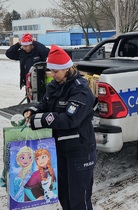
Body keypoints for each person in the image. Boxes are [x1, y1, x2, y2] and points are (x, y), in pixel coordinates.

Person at [23, 44, 97, 210]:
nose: (52, 74)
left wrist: (38, 120)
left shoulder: (80, 89)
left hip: (79, 152)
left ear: (67, 68)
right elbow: (45, 104)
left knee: (79, 201)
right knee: (64, 196)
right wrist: (31, 111)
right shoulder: (55, 84)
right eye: (51, 70)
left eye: (55, 71)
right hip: (61, 150)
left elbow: (69, 120)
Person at [5, 33, 50, 102]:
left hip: (40, 82)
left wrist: (35, 43)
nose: (24, 48)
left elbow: (46, 52)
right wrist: (18, 44)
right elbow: (9, 53)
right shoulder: (22, 53)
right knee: (30, 100)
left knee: (40, 101)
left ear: (31, 45)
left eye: (26, 46)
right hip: (28, 82)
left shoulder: (38, 52)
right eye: (23, 46)